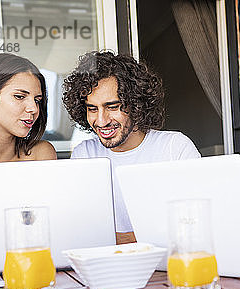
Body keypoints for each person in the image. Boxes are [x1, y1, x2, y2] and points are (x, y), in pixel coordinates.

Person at [63, 51, 201, 244]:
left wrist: (121, 239)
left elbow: (195, 225)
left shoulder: (174, 148)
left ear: (136, 104)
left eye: (112, 107)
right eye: (92, 109)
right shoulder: (84, 154)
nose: (101, 121)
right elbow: (79, 231)